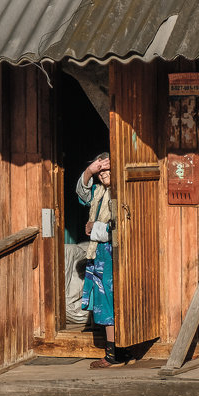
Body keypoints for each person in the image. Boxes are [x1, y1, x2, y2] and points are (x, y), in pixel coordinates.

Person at [76, 152, 123, 368]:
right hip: (100, 255)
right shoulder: (98, 192)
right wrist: (89, 171)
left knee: (115, 302)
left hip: (115, 255)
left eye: (107, 168)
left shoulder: (121, 193)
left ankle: (115, 354)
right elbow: (82, 192)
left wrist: (95, 228)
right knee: (104, 305)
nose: (103, 173)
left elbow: (120, 227)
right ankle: (111, 353)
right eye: (100, 169)